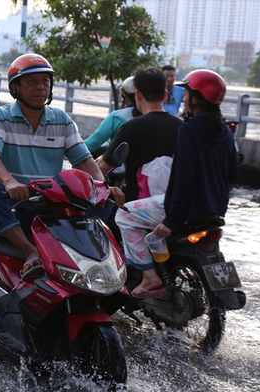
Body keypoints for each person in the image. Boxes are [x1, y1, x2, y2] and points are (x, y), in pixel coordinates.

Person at [0, 53, 124, 273]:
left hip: (50, 203)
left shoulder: (61, 120)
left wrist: (103, 187)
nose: (40, 87)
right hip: (11, 202)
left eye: (45, 81)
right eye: (32, 82)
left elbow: (84, 161)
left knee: (104, 201)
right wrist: (9, 182)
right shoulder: (0, 117)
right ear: (15, 88)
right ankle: (29, 250)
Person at [115, 69, 239, 299]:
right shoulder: (225, 132)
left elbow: (183, 179)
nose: (182, 98)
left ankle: (150, 278)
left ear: (197, 98)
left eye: (187, 93)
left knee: (124, 215)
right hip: (215, 210)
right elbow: (233, 175)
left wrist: (170, 220)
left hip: (184, 210)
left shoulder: (189, 129)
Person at [97, 67, 182, 202]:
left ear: (137, 95)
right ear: (165, 95)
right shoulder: (181, 127)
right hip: (171, 207)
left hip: (134, 207)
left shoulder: (131, 127)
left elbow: (102, 167)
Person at [83, 76, 141, 155]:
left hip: (118, 165)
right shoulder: (154, 117)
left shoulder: (116, 117)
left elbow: (92, 143)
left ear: (124, 95)